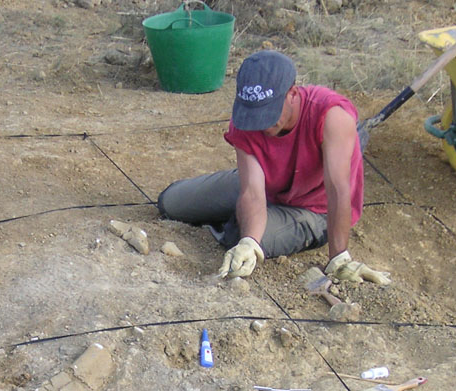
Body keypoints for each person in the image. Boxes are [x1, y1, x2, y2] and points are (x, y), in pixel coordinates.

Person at [157, 49, 388, 285]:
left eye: (269, 113)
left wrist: (339, 258)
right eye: (257, 115)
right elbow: (252, 191)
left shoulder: (331, 116)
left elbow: (338, 189)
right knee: (170, 203)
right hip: (269, 186)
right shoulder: (246, 118)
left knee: (239, 234)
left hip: (313, 209)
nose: (263, 125)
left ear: (292, 94)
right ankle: (242, 220)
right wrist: (250, 241)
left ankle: (241, 223)